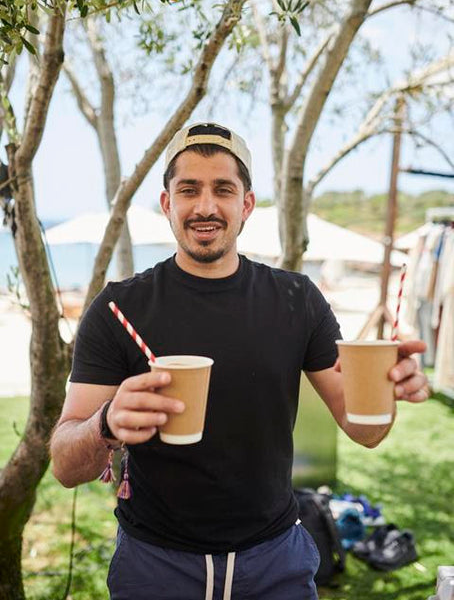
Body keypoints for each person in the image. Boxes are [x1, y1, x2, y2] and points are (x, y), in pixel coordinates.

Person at [50, 122, 429, 600]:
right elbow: (65, 466)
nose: (205, 206)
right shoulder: (117, 310)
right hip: (154, 566)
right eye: (188, 189)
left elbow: (364, 431)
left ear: (246, 205)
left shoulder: (298, 300)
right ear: (167, 203)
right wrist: (105, 423)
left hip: (275, 562)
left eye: (223, 189)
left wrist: (385, 391)